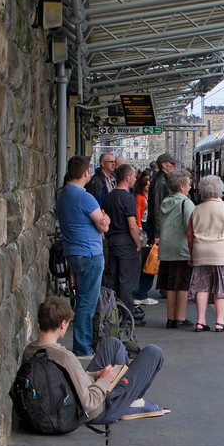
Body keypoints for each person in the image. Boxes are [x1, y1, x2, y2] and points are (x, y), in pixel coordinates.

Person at [23, 297, 168, 422]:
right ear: (62, 324)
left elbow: (66, 380)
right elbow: (88, 403)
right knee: (154, 352)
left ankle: (126, 399)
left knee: (113, 344)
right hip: (98, 409)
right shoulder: (65, 358)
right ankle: (131, 401)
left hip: (79, 393)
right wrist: (103, 381)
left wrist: (96, 375)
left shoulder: (30, 350)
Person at [57, 155, 110, 356]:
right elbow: (103, 223)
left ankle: (84, 343)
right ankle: (83, 346)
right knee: (87, 302)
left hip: (73, 252)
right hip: (89, 253)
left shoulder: (64, 194)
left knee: (82, 299)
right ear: (86, 172)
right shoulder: (84, 196)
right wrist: (105, 220)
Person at [187, 175, 224, 332]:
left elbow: (190, 236)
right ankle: (219, 322)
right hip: (222, 254)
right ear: (220, 190)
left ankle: (200, 321)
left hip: (200, 253)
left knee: (201, 287)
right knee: (221, 287)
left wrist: (192, 257)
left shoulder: (196, 210)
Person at [102, 164, 146, 326]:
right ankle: (126, 317)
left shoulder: (109, 196)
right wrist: (138, 243)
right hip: (126, 242)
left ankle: (112, 313)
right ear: (127, 178)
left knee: (112, 279)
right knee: (127, 281)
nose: (135, 179)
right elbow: (132, 225)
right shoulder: (128, 198)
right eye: (134, 176)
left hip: (112, 242)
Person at [158, 169, 195, 328]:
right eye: (188, 183)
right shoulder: (186, 202)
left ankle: (170, 318)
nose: (190, 186)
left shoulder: (165, 201)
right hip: (182, 249)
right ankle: (180, 317)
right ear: (181, 186)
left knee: (171, 285)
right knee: (183, 285)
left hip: (166, 249)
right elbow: (190, 226)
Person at [133, 174, 157, 306]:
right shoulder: (139, 197)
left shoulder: (149, 196)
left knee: (149, 261)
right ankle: (140, 292)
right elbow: (137, 213)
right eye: (146, 185)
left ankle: (143, 292)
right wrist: (140, 229)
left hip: (148, 227)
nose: (148, 186)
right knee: (145, 261)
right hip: (143, 227)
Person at [146, 153, 177, 245]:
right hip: (161, 228)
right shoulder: (160, 182)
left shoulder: (161, 180)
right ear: (164, 165)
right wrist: (157, 233)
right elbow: (157, 206)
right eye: (171, 164)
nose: (174, 166)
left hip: (163, 226)